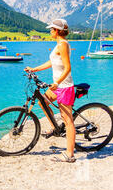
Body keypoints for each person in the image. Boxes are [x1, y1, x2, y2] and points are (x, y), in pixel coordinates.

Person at [24, 19, 76, 163]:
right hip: (57, 87)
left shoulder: (63, 45)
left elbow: (68, 68)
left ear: (58, 31)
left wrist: (57, 83)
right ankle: (55, 128)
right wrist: (34, 69)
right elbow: (52, 62)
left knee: (68, 121)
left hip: (64, 87)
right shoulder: (58, 45)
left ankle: (70, 155)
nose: (50, 31)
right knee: (43, 103)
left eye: (52, 29)